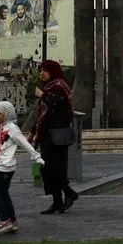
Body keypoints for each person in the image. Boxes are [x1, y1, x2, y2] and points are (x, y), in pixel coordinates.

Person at [0, 101, 45, 235]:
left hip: (4, 166)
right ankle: (12, 221)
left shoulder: (12, 129)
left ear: (7, 114)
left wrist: (36, 157)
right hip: (0, 165)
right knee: (3, 193)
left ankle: (4, 220)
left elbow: (24, 143)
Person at [29, 59, 78, 214]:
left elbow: (56, 103)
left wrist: (42, 95)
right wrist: (32, 132)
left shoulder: (60, 86)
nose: (42, 74)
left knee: (54, 168)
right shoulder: (49, 87)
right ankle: (58, 200)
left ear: (53, 71)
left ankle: (68, 194)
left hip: (57, 135)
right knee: (47, 169)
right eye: (40, 71)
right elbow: (42, 115)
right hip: (46, 135)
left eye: (45, 70)